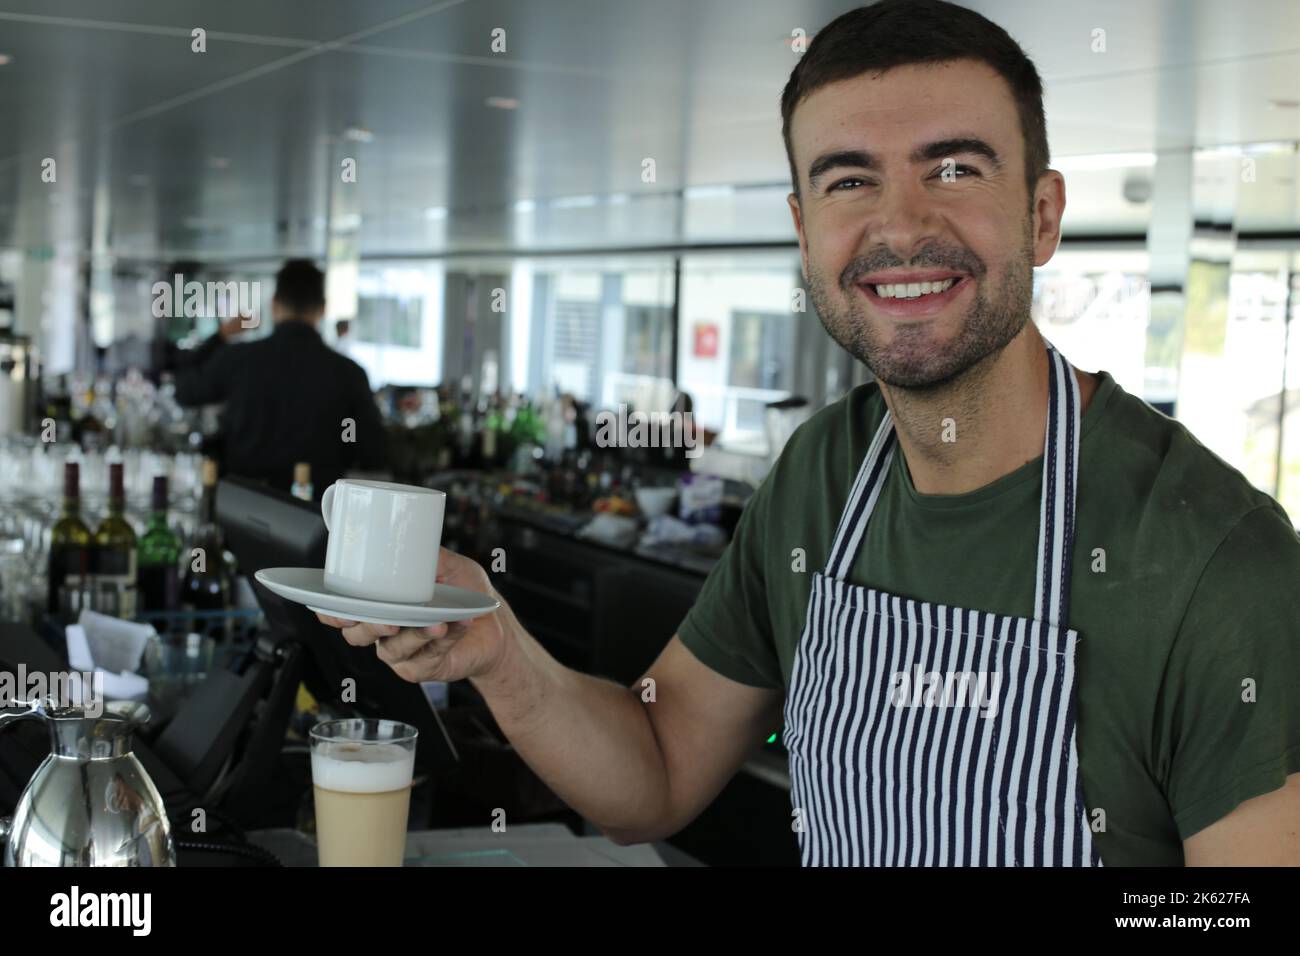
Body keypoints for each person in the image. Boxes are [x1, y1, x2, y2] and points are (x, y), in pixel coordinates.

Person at [317, 0, 1300, 866]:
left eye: (953, 167)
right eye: (848, 181)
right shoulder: (823, 474)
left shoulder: (1218, 560)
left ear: (1041, 215)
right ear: (802, 228)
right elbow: (656, 771)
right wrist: (494, 647)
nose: (901, 223)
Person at [175, 259, 387, 497]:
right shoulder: (348, 373)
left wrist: (221, 336)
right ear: (323, 308)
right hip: (316, 512)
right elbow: (369, 449)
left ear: (274, 305)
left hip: (244, 504)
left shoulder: (239, 360)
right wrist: (342, 435)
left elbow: (184, 390)